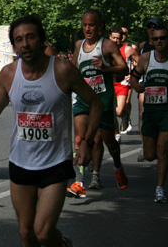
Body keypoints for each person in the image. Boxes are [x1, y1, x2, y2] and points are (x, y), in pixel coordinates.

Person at [0, 15, 102, 247]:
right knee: (26, 234)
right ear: (14, 45)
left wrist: (87, 142)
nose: (25, 44)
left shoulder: (62, 71)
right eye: (19, 39)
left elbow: (96, 103)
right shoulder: (9, 74)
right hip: (21, 163)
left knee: (42, 232)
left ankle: (60, 243)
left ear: (41, 40)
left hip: (55, 164)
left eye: (30, 37)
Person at [68, 10, 128, 197]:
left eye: (91, 25)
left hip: (102, 101)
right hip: (83, 100)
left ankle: (117, 166)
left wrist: (106, 68)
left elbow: (124, 68)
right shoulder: (80, 46)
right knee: (79, 138)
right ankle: (79, 182)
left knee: (107, 141)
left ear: (100, 27)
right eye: (85, 25)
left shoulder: (107, 46)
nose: (87, 28)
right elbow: (75, 72)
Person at [130, 24, 168, 203]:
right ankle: (163, 155)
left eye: (163, 38)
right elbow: (134, 76)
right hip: (150, 111)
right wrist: (135, 85)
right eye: (155, 39)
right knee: (150, 155)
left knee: (162, 149)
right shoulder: (145, 58)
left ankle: (160, 188)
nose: (159, 42)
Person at [136, 18, 162, 161]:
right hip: (146, 85)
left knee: (160, 114)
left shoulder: (166, 46)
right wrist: (134, 81)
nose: (152, 29)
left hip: (162, 86)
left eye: (155, 26)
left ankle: (163, 143)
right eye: (149, 27)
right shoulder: (143, 45)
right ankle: (144, 144)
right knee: (142, 114)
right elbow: (139, 65)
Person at [109, 27, 139, 141]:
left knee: (119, 110)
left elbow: (140, 63)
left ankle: (124, 115)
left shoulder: (128, 50)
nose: (116, 40)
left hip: (123, 83)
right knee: (110, 111)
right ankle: (116, 133)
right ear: (109, 37)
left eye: (118, 38)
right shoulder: (105, 49)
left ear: (122, 38)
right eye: (113, 38)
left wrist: (133, 74)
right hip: (109, 84)